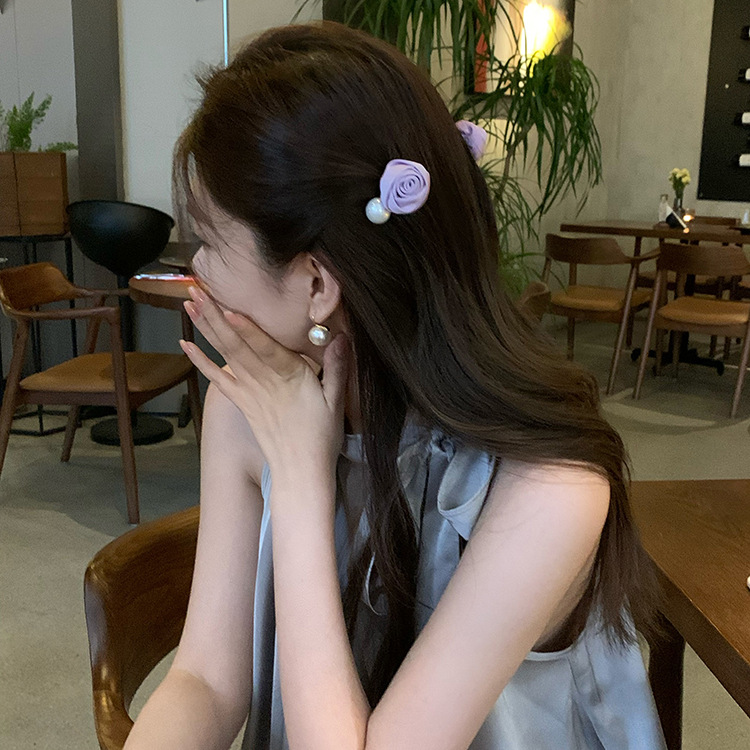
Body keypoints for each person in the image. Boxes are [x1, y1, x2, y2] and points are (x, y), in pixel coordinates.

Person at [124, 21, 666, 750]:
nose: (196, 271)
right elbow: (206, 680)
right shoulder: (247, 404)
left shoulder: (549, 486)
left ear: (316, 284)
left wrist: (301, 478)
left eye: (209, 241)